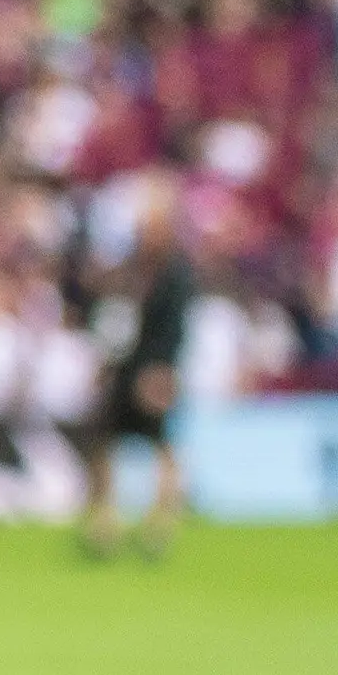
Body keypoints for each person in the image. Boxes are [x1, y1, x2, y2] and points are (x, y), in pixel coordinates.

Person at [77, 176, 198, 561]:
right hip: (124, 366)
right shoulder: (129, 268)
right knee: (105, 441)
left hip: (154, 370)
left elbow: (175, 327)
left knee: (162, 445)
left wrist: (163, 371)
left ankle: (161, 522)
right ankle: (104, 519)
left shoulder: (176, 275)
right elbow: (112, 315)